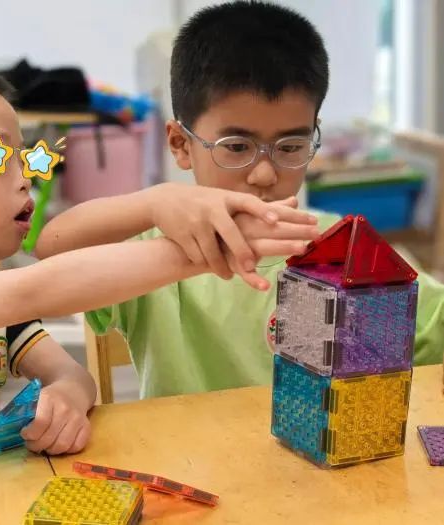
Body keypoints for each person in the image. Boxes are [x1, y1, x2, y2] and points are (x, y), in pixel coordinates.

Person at [0, 56, 318, 453]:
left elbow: (71, 373)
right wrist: (204, 247)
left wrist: (64, 397)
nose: (25, 179)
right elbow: (37, 288)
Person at [35, 1, 444, 398]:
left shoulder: (342, 246)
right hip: (185, 445)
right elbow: (51, 249)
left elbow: (433, 328)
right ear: (180, 144)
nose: (264, 173)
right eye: (235, 146)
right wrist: (153, 203)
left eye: (290, 146)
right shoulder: (149, 248)